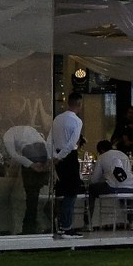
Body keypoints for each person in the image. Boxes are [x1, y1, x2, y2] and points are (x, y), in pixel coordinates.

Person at [2, 116, 51, 234]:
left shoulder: (7, 134)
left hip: (30, 153)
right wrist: (47, 162)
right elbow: (44, 143)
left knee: (31, 196)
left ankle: (29, 228)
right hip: (43, 151)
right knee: (40, 193)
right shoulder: (30, 129)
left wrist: (31, 164)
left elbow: (14, 154)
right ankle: (41, 223)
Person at [49, 93, 86, 237]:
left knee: (62, 190)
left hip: (57, 154)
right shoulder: (77, 121)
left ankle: (60, 224)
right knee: (71, 191)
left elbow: (50, 138)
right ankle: (66, 225)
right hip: (68, 157)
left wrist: (54, 155)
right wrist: (60, 156)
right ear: (79, 104)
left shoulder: (57, 119)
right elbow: (72, 143)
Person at [88, 137, 133, 229]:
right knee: (127, 193)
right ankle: (132, 222)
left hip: (113, 187)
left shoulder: (102, 157)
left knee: (91, 189)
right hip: (131, 187)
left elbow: (94, 179)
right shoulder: (123, 154)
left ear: (101, 150)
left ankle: (88, 223)